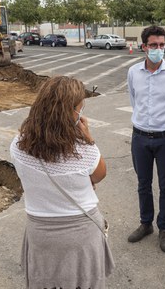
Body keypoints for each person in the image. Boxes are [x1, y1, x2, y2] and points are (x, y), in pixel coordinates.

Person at [10, 76, 114, 289]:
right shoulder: (85, 151)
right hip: (81, 236)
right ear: (71, 113)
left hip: (40, 233)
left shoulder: (18, 145)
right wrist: (89, 138)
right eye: (80, 108)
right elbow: (99, 175)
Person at [127, 25, 165, 253]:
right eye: (153, 45)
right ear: (144, 46)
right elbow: (135, 101)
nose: (158, 49)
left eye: (162, 45)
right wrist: (146, 122)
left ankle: (164, 228)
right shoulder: (134, 72)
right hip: (140, 137)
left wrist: (163, 124)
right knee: (143, 185)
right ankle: (146, 224)